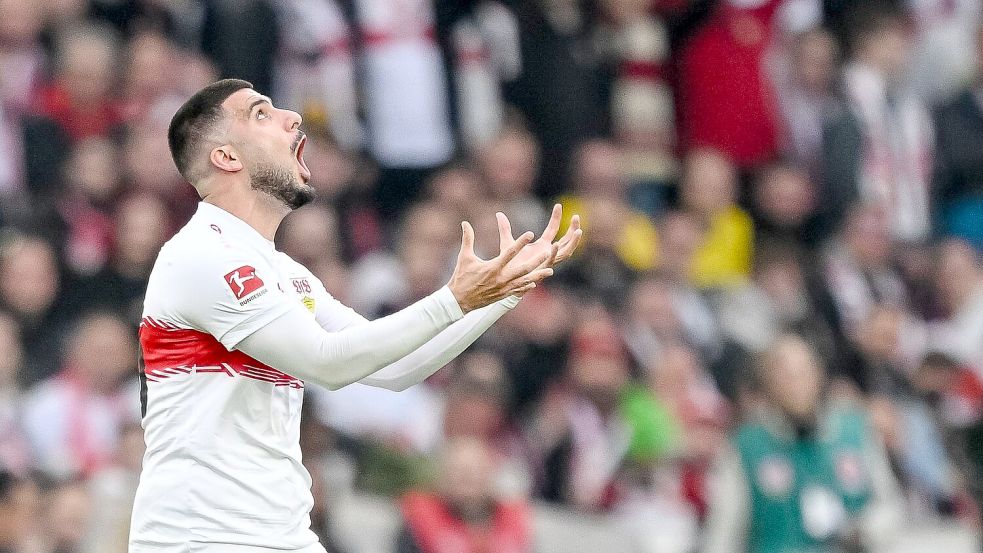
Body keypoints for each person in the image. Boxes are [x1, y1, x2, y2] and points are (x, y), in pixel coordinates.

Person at [128, 78, 582, 553]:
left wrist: (502, 293)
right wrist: (455, 298)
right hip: (201, 538)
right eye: (261, 114)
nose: (292, 117)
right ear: (226, 157)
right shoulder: (203, 254)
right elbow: (327, 362)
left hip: (279, 535)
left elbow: (395, 368)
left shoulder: (285, 272)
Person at [702, 335, 903, 553]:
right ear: (768, 383)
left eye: (802, 373)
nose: (796, 384)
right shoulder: (746, 446)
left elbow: (890, 505)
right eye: (785, 376)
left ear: (818, 374)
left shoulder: (855, 431)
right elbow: (724, 532)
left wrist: (864, 530)